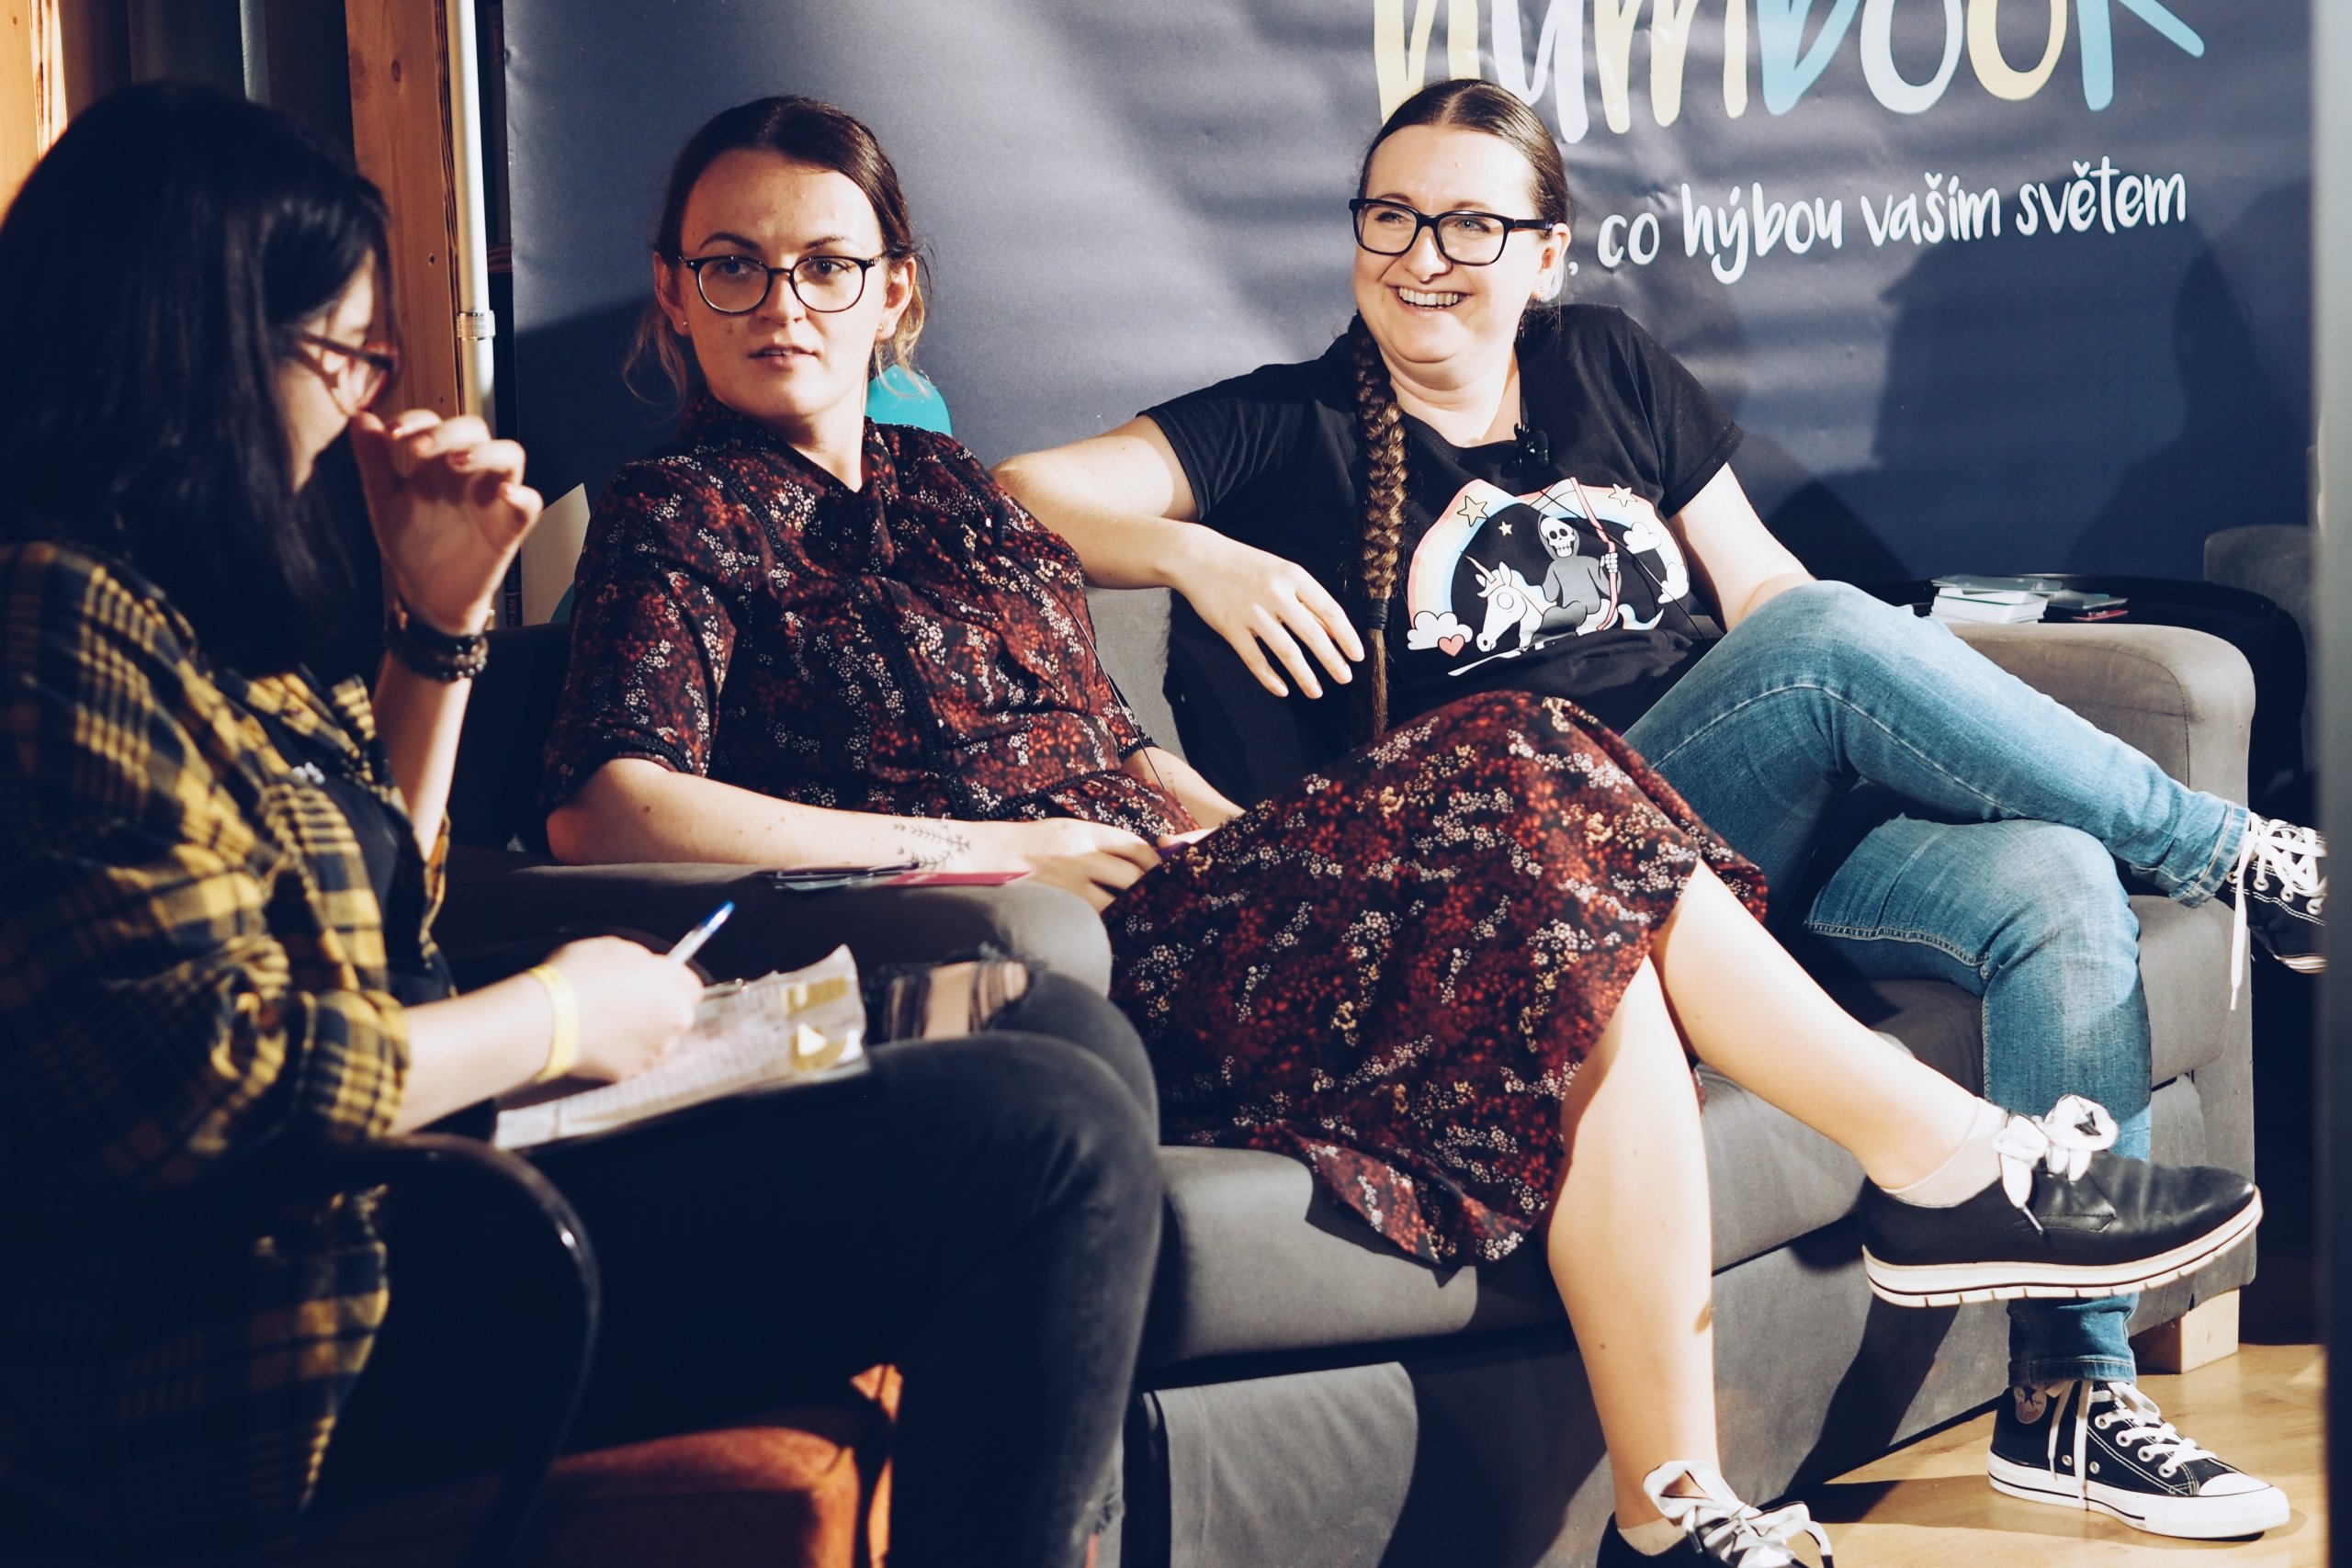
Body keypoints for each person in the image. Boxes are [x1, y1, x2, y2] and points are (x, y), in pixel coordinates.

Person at [542, 94, 2266, 1566]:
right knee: (1522, 741)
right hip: (1052, 951)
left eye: (825, 264)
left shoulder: (954, 500)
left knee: (1594, 957)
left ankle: (1676, 1509)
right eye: (734, 266)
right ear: (675, 294)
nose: (783, 301)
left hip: (1189, 887)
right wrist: (984, 858)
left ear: (893, 292)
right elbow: (612, 801)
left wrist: (1256, 837)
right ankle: (1949, 1160)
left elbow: (1102, 743)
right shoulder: (672, 517)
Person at [0, 83, 1159, 1568]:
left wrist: (439, 625)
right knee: (1052, 1138)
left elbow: (386, 921)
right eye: (338, 353)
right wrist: (556, 1017)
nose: (359, 404)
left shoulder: (214, 618)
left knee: (1059, 1033)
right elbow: (205, 1090)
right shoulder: (53, 621)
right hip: (285, 1319)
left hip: (417, 1187)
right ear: (190, 346)